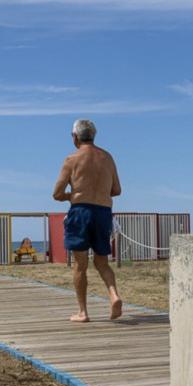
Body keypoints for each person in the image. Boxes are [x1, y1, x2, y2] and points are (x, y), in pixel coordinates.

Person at [53, 119, 123, 322]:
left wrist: (73, 195)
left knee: (79, 265)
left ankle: (83, 312)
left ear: (74, 136)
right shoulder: (107, 158)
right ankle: (114, 295)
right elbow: (117, 190)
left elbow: (57, 193)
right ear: (94, 135)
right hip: (103, 212)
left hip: (81, 212)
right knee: (102, 262)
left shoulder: (71, 159)